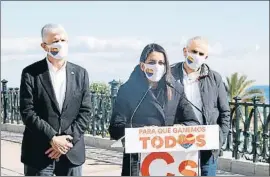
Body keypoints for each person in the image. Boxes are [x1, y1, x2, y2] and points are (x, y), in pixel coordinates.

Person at [109, 43, 199, 176]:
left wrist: (177, 128)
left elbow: (192, 122)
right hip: (137, 162)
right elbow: (115, 128)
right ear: (142, 65)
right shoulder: (127, 90)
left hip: (170, 161)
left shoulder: (175, 89)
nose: (157, 66)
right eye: (152, 62)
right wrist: (141, 131)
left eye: (161, 63)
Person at [19, 23, 91, 176]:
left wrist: (65, 142)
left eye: (63, 40)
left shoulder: (81, 74)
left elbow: (85, 112)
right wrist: (52, 138)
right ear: (44, 46)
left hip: (71, 153)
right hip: (39, 153)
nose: (60, 44)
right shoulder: (31, 73)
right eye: (55, 41)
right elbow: (28, 112)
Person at [171, 36, 230, 176]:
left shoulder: (215, 78)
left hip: (207, 149)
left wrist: (219, 140)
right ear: (185, 51)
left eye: (201, 54)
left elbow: (225, 112)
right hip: (178, 145)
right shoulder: (170, 76)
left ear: (206, 57)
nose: (197, 56)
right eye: (194, 51)